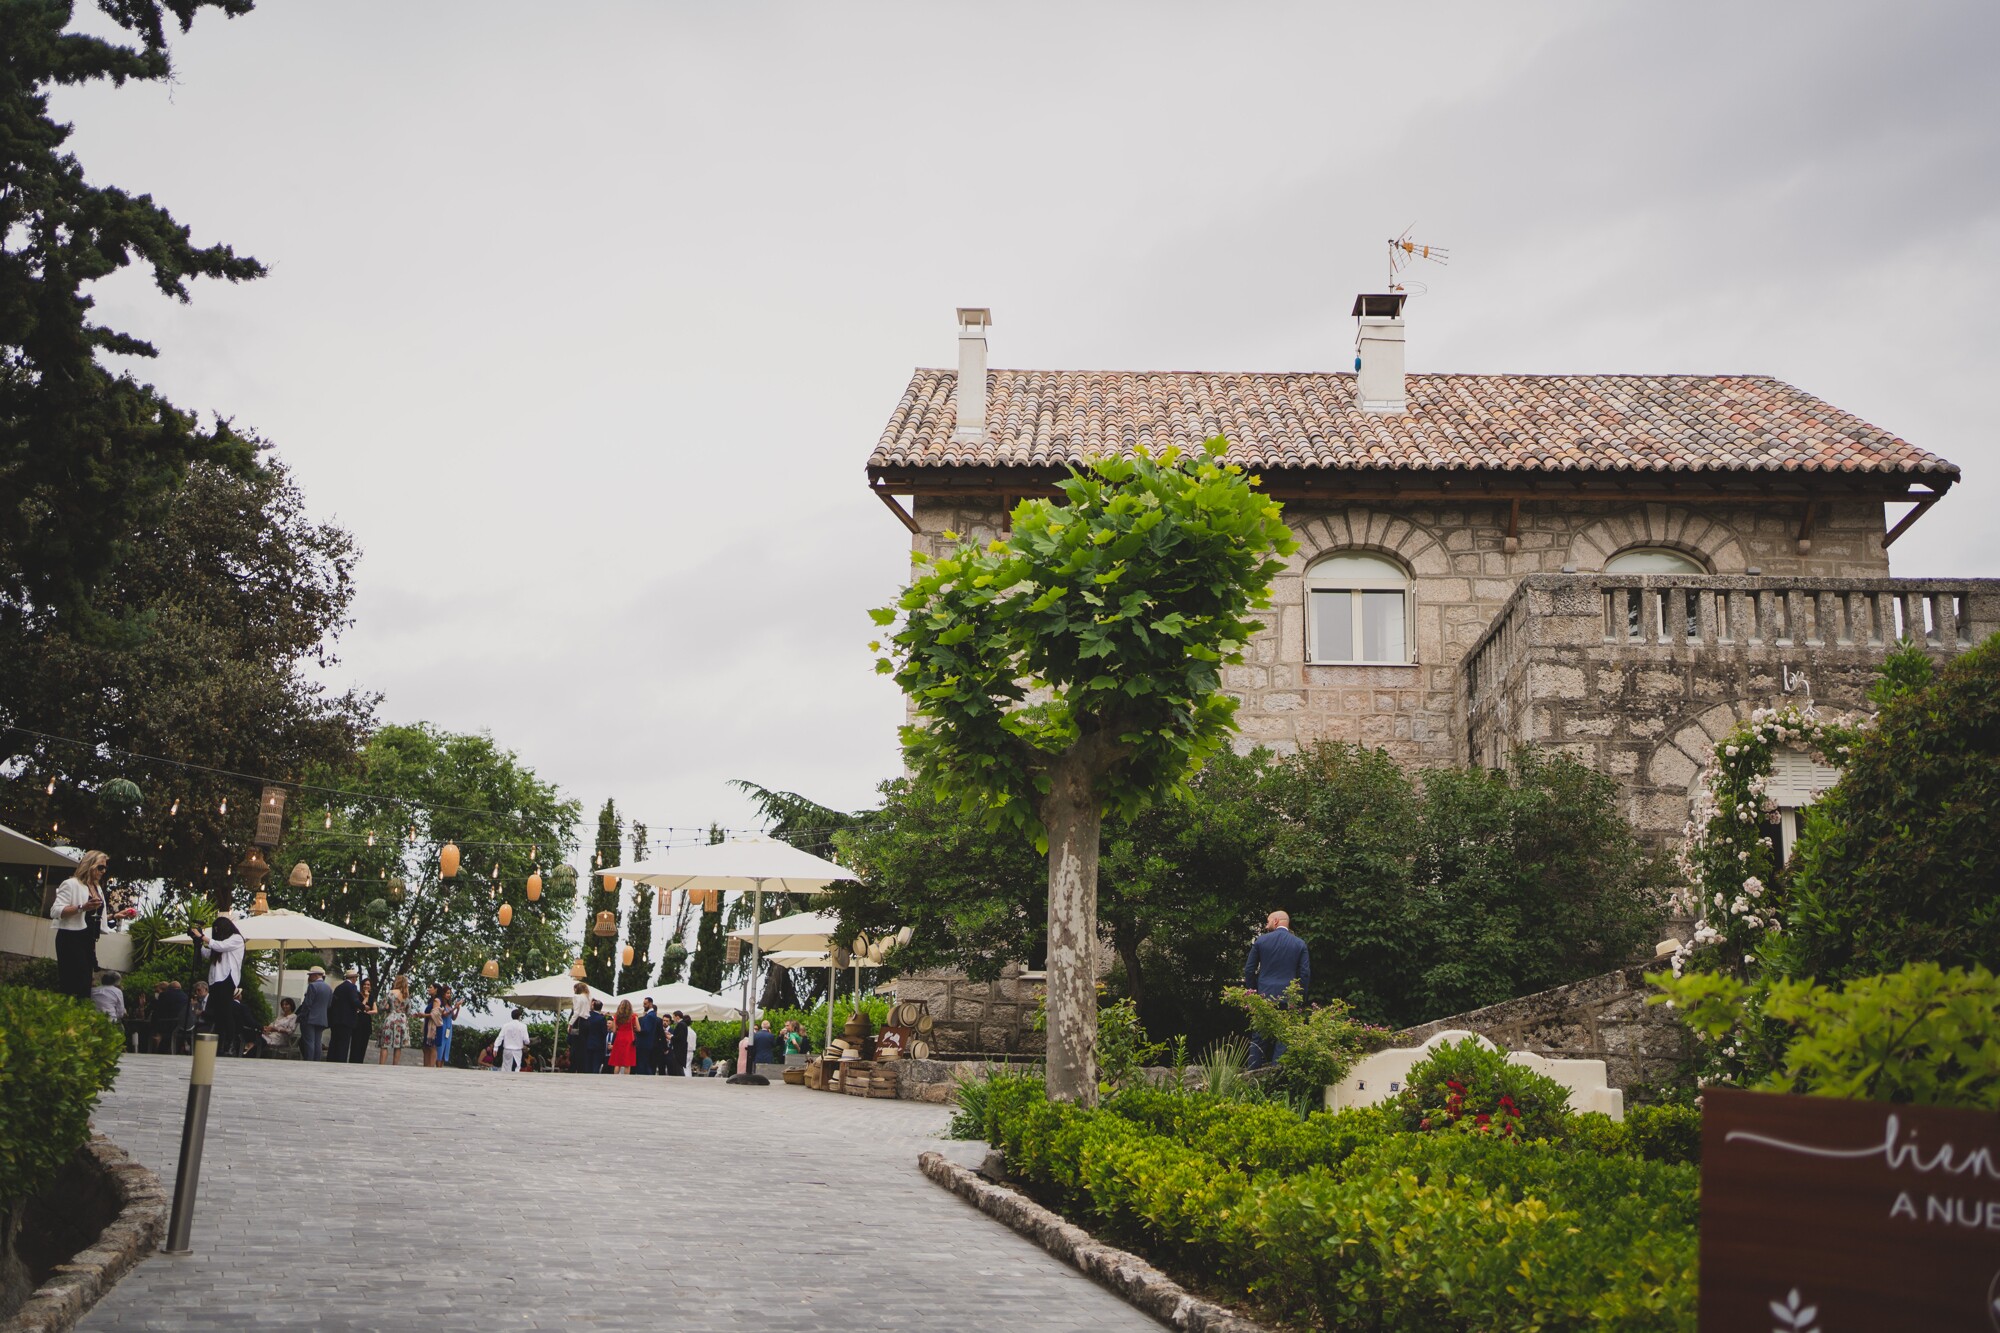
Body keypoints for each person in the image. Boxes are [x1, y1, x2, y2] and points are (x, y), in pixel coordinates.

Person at [1242, 909, 1311, 1070]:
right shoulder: (1299, 944)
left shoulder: (1261, 941)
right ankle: (1277, 1074)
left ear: (1275, 921)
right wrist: (1300, 997)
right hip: (1288, 997)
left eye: (1267, 922)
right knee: (1284, 1037)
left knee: (1258, 1037)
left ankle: (1252, 1075)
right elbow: (1305, 974)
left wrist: (1252, 993)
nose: (1266, 926)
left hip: (1264, 996)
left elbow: (1249, 970)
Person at [49, 850, 109, 998]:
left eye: (105, 868)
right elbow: (55, 911)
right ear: (90, 865)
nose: (103, 871)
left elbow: (91, 916)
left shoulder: (97, 888)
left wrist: (115, 916)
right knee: (73, 983)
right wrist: (82, 907)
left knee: (85, 985)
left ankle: (78, 1010)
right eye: (100, 867)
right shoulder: (71, 884)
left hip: (88, 940)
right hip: (71, 937)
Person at [190, 915, 246, 1056]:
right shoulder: (218, 943)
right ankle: (220, 1043)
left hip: (227, 978)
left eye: (217, 929)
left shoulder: (236, 939)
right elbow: (208, 954)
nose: (216, 932)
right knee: (217, 1013)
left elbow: (221, 946)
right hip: (215, 979)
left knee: (226, 1011)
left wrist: (202, 937)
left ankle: (230, 1044)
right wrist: (198, 942)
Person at [298, 965, 333, 1062]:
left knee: (309, 1042)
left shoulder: (312, 986)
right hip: (322, 1019)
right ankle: (316, 1062)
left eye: (310, 975)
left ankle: (309, 1061)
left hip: (310, 1018)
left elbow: (307, 1004)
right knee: (318, 1042)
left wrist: (302, 1016)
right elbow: (329, 1005)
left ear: (315, 975)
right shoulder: (329, 988)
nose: (309, 977)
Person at [328, 966, 362, 1063]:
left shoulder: (338, 988)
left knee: (334, 1041)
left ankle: (331, 1060)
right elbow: (354, 1001)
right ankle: (340, 1061)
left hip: (336, 1020)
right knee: (343, 1044)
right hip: (347, 1020)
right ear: (353, 978)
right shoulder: (352, 987)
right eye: (356, 978)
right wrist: (363, 1007)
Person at [377, 974, 411, 1065]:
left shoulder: (391, 993)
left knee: (385, 1044)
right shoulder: (407, 996)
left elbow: (381, 1007)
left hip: (391, 1018)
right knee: (398, 1046)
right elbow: (408, 1011)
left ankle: (382, 1065)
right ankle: (395, 1066)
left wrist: (387, 1008)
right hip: (402, 1020)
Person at [150, 980, 189, 1055]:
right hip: (181, 1026)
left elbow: (159, 1011)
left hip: (166, 1025)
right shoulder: (186, 997)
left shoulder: (163, 995)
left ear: (169, 988)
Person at [496, 1007, 531, 1073]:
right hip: (517, 1050)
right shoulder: (523, 1026)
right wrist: (527, 1042)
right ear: (519, 1016)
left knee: (506, 1067)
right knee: (517, 1067)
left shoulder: (506, 1025)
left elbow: (500, 1037)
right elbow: (526, 1040)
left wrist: (495, 1048)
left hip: (507, 1050)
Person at [607, 999, 637, 1075]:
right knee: (627, 1062)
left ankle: (615, 1077)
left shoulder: (616, 1016)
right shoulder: (633, 1016)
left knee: (617, 1062)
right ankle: (626, 1078)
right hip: (629, 1038)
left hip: (619, 1037)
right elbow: (639, 1029)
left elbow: (614, 1030)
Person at [433, 984, 460, 1067]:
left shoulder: (449, 1005)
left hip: (449, 1029)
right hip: (442, 1028)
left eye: (450, 993)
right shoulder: (441, 1004)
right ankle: (438, 1066)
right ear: (443, 993)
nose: (449, 995)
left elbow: (453, 1018)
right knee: (440, 1050)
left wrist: (457, 1009)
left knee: (445, 1050)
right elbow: (445, 1014)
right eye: (447, 993)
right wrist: (454, 1008)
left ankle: (442, 1066)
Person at [352, 977, 376, 1063]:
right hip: (358, 1021)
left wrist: (367, 1012)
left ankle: (360, 1062)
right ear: (362, 985)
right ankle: (353, 1061)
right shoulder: (357, 995)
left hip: (366, 1021)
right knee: (356, 1043)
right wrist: (366, 998)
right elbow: (359, 1007)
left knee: (363, 1044)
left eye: (368, 985)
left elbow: (375, 1010)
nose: (366, 986)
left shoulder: (371, 996)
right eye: (365, 984)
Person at [582, 999, 609, 1075]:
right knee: (596, 1065)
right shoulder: (602, 1018)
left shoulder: (587, 1016)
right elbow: (604, 1032)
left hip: (588, 1043)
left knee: (588, 1064)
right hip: (598, 1045)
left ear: (593, 1006)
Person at [637, 998, 664, 1075]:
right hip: (647, 1043)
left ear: (650, 1004)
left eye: (645, 1004)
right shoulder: (650, 1015)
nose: (643, 1005)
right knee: (646, 1064)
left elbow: (646, 1030)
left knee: (644, 1065)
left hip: (645, 1044)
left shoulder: (650, 1016)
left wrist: (637, 1030)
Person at [665, 1009, 690, 1077]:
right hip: (680, 1050)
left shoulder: (681, 1024)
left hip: (678, 1050)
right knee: (678, 1068)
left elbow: (679, 1038)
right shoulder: (683, 1024)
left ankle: (681, 1079)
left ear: (677, 1017)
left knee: (678, 1068)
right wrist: (671, 1035)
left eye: (673, 1017)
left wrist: (670, 1037)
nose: (673, 1019)